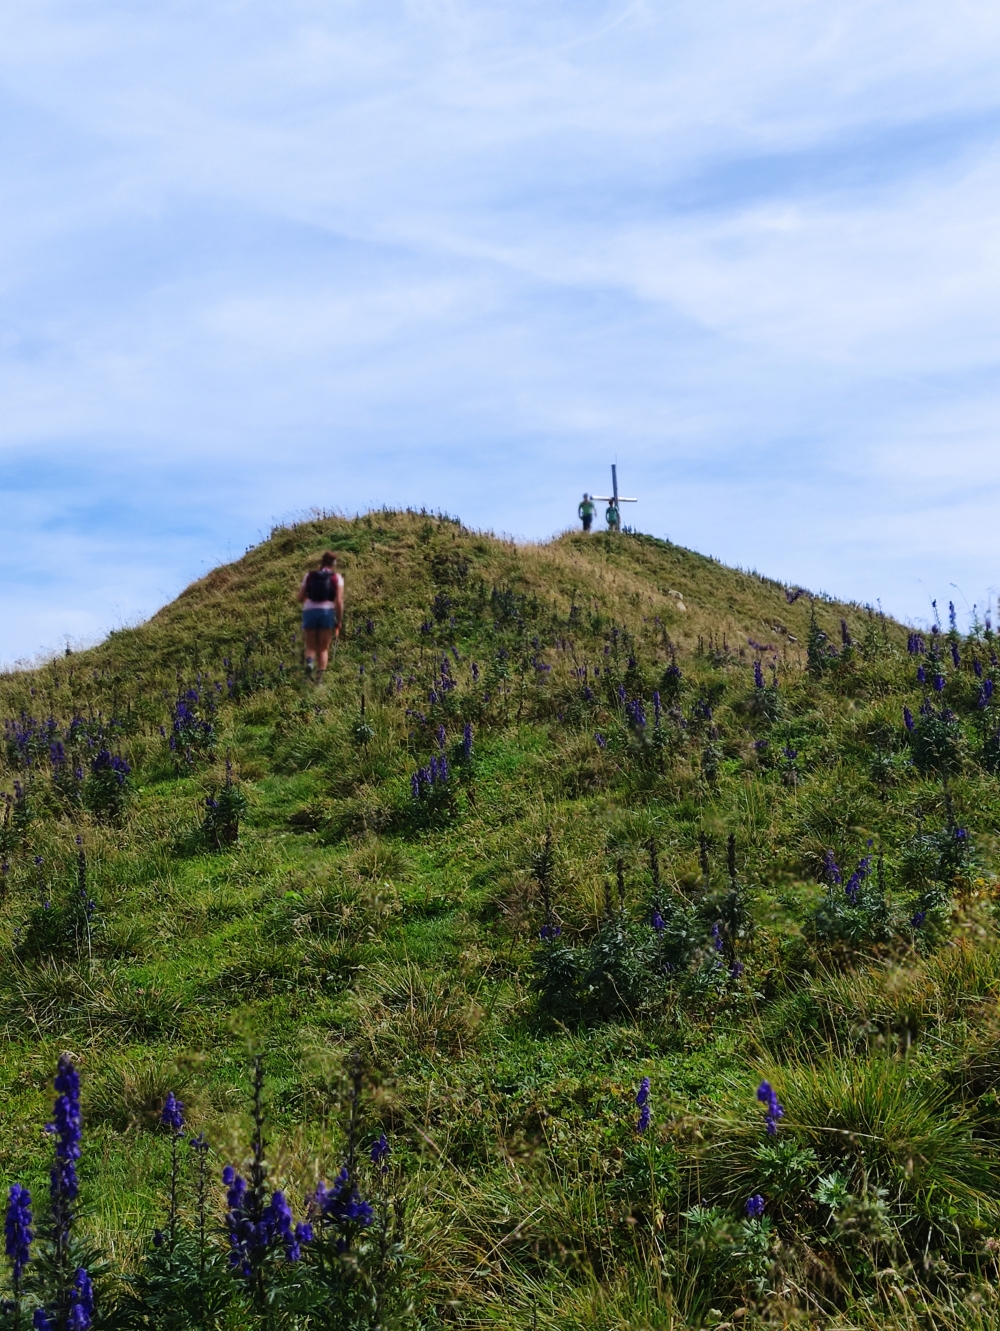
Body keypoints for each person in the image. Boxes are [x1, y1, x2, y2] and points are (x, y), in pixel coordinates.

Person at [296, 551, 344, 683]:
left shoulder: (310, 576)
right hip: (327, 611)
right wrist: (339, 620)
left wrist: (310, 599)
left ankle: (310, 664)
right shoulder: (337, 578)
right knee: (323, 648)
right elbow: (339, 600)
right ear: (333, 564)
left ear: (321, 562)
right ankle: (319, 679)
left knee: (311, 646)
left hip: (310, 611)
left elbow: (300, 597)